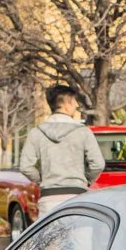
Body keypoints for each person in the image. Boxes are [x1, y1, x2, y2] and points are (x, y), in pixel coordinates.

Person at [18, 85, 104, 218]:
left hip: (49, 197)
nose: (76, 105)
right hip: (77, 196)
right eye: (74, 101)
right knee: (80, 238)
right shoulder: (83, 132)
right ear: (67, 105)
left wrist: (43, 179)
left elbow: (25, 167)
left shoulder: (36, 133)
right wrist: (84, 180)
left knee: (52, 238)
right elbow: (98, 164)